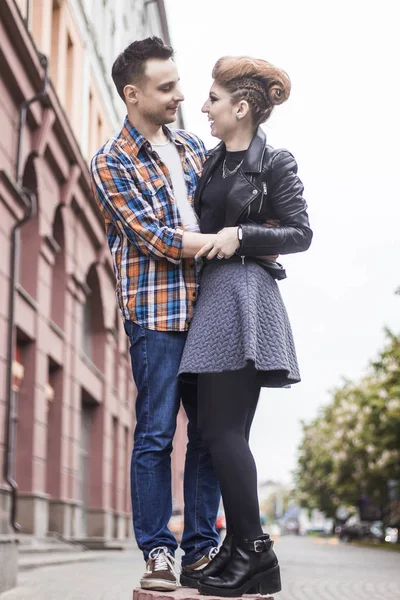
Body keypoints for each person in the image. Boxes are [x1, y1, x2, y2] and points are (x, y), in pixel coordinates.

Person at [89, 37, 234, 591]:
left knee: (208, 435)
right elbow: (158, 239)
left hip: (209, 312)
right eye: (166, 87)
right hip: (156, 314)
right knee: (154, 435)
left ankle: (200, 551)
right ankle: (157, 553)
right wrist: (227, 238)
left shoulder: (196, 147)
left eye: (179, 83)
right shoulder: (111, 161)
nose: (180, 95)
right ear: (133, 94)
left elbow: (229, 202)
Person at [178, 56, 313, 597]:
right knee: (215, 431)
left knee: (225, 432)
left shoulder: (275, 162)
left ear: (241, 106)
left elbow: (301, 233)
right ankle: (238, 549)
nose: (204, 107)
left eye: (213, 98)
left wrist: (243, 233)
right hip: (213, 297)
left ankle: (254, 552)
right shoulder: (210, 163)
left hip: (244, 296)